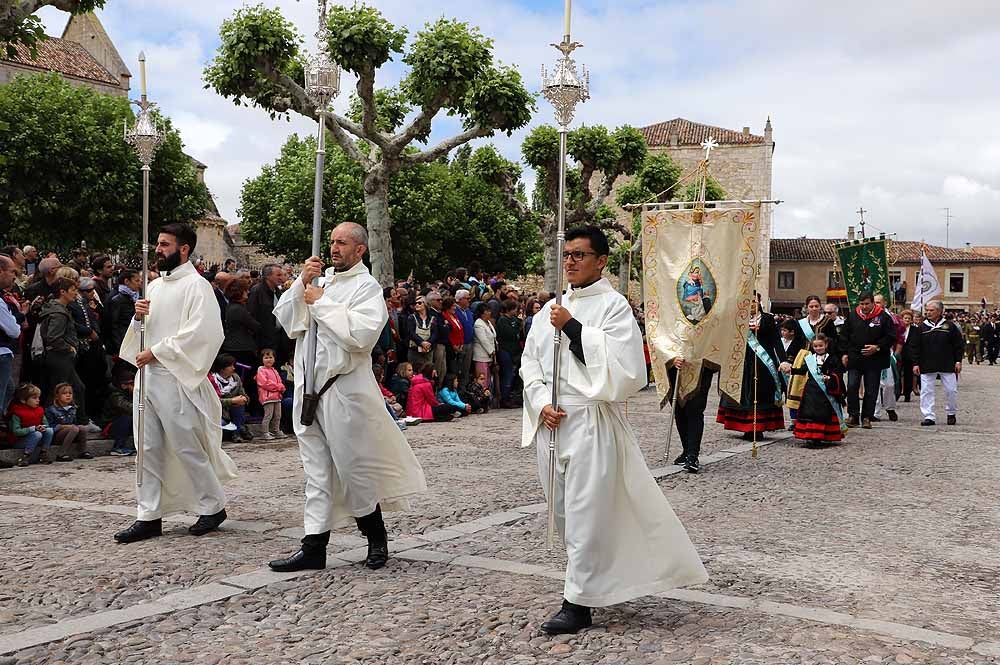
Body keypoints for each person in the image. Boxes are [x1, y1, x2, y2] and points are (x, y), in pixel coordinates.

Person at [520, 225, 707, 635]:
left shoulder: (613, 306)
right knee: (565, 513)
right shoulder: (548, 308)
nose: (570, 262)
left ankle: (577, 604)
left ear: (601, 260)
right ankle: (593, 584)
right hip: (553, 423)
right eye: (566, 254)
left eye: (579, 255)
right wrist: (540, 402)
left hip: (591, 421)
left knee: (588, 514)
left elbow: (625, 368)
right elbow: (529, 364)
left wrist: (572, 328)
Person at [270, 222, 426, 573]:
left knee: (354, 468)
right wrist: (300, 284)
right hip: (309, 389)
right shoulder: (319, 281)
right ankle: (314, 545)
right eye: (332, 241)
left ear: (360, 250)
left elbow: (359, 335)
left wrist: (321, 303)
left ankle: (375, 537)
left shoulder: (366, 288)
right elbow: (287, 320)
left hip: (342, 391)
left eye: (342, 243)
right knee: (316, 471)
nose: (334, 247)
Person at [114, 222, 237, 544]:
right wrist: (138, 316)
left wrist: (159, 351)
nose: (158, 249)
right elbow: (143, 332)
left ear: (183, 249)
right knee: (148, 447)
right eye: (157, 243)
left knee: (185, 443)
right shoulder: (154, 287)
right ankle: (149, 514)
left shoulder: (197, 286)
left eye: (165, 244)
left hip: (176, 376)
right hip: (149, 375)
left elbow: (205, 332)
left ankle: (213, 505)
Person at [716, 298, 785, 439]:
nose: (752, 304)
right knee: (743, 394)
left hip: (764, 364)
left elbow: (776, 340)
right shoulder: (739, 318)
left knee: (762, 393)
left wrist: (783, 360)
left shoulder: (767, 319)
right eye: (749, 301)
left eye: (754, 301)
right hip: (743, 363)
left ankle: (759, 427)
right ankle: (745, 427)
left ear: (759, 303)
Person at [840, 291, 896, 429]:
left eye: (867, 304)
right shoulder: (853, 315)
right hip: (855, 357)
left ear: (872, 303)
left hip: (874, 359)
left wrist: (877, 347)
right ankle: (853, 415)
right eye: (861, 304)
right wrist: (844, 353)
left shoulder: (883, 316)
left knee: (871, 389)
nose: (864, 307)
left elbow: (890, 336)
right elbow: (844, 335)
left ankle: (866, 416)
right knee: (852, 386)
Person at [912, 300, 963, 427]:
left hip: (947, 363)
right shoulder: (921, 328)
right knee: (926, 391)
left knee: (951, 390)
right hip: (927, 364)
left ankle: (951, 413)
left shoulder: (950, 326)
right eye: (927, 310)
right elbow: (915, 347)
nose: (928, 313)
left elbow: (958, 345)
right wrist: (915, 363)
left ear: (940, 312)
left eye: (931, 310)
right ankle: (928, 415)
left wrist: (958, 361)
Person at [791, 334, 846, 445]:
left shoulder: (833, 358)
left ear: (826, 345)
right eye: (815, 346)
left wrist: (830, 377)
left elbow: (838, 372)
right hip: (811, 390)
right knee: (809, 412)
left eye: (820, 345)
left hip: (825, 390)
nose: (818, 348)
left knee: (823, 413)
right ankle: (810, 436)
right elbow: (803, 370)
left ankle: (822, 436)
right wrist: (791, 370)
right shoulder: (810, 359)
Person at [0, 254, 25, 413]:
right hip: (2, 353)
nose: (14, 277)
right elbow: (14, 330)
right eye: (12, 272)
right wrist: (20, 315)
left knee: (9, 388)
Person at [7, 383, 55, 466]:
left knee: (49, 430)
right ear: (23, 400)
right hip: (20, 441)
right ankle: (25, 456)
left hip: (37, 437)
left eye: (38, 398)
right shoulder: (17, 412)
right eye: (34, 398)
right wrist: (33, 429)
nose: (38, 400)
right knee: (37, 434)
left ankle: (43, 453)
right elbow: (16, 431)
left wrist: (43, 427)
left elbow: (46, 424)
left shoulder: (39, 410)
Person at [209, 354, 252, 442]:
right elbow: (213, 401)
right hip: (220, 414)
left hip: (235, 413)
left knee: (239, 405)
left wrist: (244, 399)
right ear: (222, 368)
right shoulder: (212, 381)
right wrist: (232, 401)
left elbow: (244, 395)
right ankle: (239, 428)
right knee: (222, 425)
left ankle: (236, 433)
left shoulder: (235, 378)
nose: (233, 368)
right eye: (230, 366)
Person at [45, 383, 91, 461]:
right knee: (74, 429)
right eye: (64, 393)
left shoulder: (73, 408)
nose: (68, 395)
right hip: (57, 436)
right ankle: (61, 454)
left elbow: (75, 423)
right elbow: (49, 427)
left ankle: (82, 451)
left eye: (70, 393)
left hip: (71, 433)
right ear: (57, 396)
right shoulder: (51, 409)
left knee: (82, 428)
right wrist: (63, 426)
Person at [104, 269, 141, 358]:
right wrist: (119, 347)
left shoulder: (135, 297)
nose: (139, 283)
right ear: (127, 281)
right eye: (137, 281)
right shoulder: (116, 299)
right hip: (122, 342)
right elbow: (113, 325)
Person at [102, 366, 136, 456]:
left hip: (125, 426)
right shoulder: (115, 395)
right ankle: (118, 447)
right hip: (111, 426)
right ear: (123, 385)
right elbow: (128, 408)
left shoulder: (130, 394)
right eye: (132, 384)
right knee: (127, 418)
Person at [495, 299, 523, 408]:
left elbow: (519, 333)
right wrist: (517, 328)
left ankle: (510, 396)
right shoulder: (503, 320)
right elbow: (510, 333)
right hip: (505, 350)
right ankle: (504, 398)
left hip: (514, 350)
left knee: (512, 374)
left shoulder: (514, 319)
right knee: (507, 374)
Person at [254, 348, 286, 440]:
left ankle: (275, 430)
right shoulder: (261, 370)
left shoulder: (275, 371)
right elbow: (264, 383)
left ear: (274, 359)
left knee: (278, 415)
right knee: (268, 415)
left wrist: (282, 387)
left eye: (271, 357)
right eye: (266, 357)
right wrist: (279, 387)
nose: (269, 359)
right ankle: (264, 432)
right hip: (267, 397)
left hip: (277, 397)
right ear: (262, 359)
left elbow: (280, 381)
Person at [472, 303, 496, 392]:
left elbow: (493, 336)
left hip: (489, 357)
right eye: (487, 311)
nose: (489, 313)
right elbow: (483, 340)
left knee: (488, 379)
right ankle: (481, 396)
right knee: (482, 378)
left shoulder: (488, 322)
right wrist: (491, 351)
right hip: (481, 356)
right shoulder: (478, 324)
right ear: (482, 313)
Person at [455, 289, 476, 387]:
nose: (469, 300)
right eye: (467, 298)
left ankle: (464, 389)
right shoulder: (455, 311)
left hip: (469, 343)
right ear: (459, 299)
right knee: (458, 368)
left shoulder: (468, 311)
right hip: (460, 344)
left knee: (466, 369)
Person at [897, 309, 918, 402]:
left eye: (909, 318)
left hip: (910, 355)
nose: (907, 320)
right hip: (899, 354)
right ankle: (897, 392)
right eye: (905, 318)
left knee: (908, 375)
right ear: (902, 319)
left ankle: (907, 393)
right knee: (897, 374)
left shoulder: (915, 330)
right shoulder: (897, 329)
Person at [407, 296, 434, 370]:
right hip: (415, 349)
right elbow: (411, 332)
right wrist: (422, 342)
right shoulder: (411, 317)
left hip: (428, 349)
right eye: (415, 303)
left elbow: (435, 333)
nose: (417, 305)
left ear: (425, 304)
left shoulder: (432, 318)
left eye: (419, 303)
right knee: (415, 370)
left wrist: (429, 343)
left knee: (428, 371)